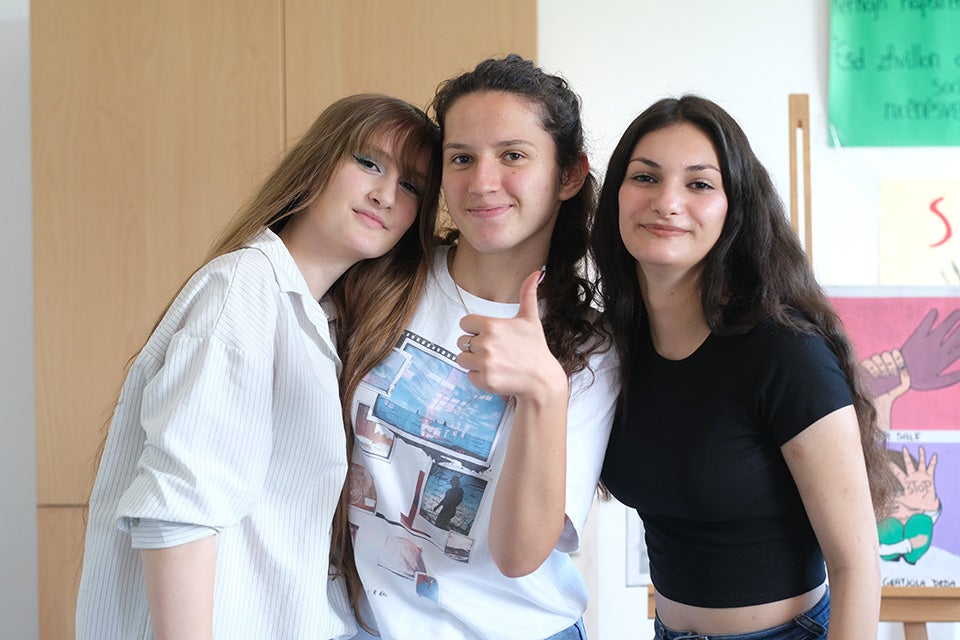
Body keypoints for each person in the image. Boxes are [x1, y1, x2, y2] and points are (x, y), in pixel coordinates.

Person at [75, 94, 441, 640]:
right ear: (319, 163)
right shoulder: (244, 288)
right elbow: (178, 510)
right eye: (368, 162)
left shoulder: (321, 317)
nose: (385, 194)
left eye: (410, 186)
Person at [591, 95, 895, 640]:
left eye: (699, 184)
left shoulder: (784, 352)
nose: (667, 201)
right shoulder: (615, 347)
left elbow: (856, 566)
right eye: (645, 177)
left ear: (735, 207)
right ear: (616, 194)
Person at [343, 55, 619, 639]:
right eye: (461, 158)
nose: (482, 182)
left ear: (568, 175)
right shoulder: (385, 281)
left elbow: (521, 555)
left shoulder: (591, 348)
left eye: (513, 156)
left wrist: (544, 389)